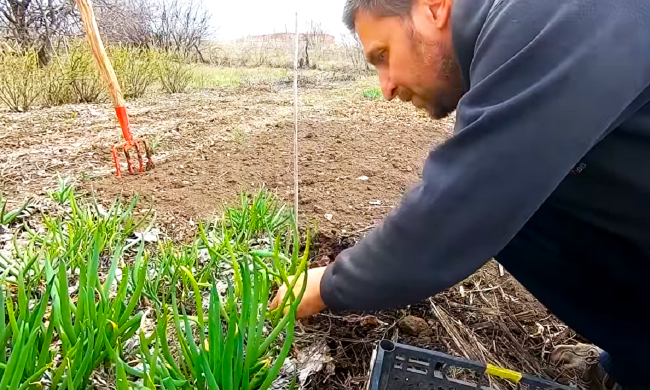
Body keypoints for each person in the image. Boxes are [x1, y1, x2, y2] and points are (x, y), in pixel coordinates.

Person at [272, 0, 650, 388]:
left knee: (488, 201)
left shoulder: (549, 16)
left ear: (434, 8)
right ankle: (635, 362)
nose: (386, 88)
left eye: (384, 55)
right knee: (516, 207)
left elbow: (462, 201)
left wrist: (327, 285)